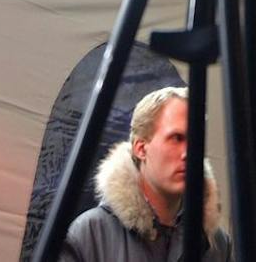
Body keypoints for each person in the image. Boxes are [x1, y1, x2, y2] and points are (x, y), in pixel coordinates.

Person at [59, 86, 230, 261]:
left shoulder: (217, 245)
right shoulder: (90, 235)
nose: (189, 152)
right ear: (141, 148)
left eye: (196, 141)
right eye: (177, 138)